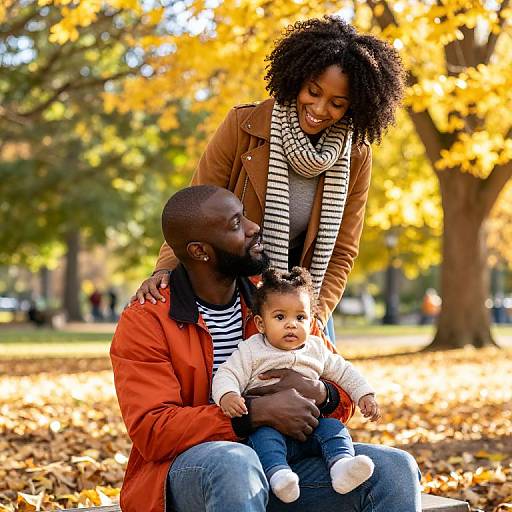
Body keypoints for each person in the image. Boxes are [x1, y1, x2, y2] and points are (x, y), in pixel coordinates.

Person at [110, 185, 421, 512]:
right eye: (235, 225)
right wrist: (254, 414)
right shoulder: (147, 321)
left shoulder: (276, 301)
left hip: (284, 466)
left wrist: (318, 392)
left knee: (395, 468)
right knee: (236, 463)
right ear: (201, 251)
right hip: (189, 475)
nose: (253, 227)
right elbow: (154, 431)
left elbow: (340, 390)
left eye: (244, 214)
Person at [134, 16, 406, 343]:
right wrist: (164, 269)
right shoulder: (243, 124)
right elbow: (196, 210)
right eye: (313, 92)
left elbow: (343, 249)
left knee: (314, 387)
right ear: (298, 78)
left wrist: (315, 315)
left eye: (337, 103)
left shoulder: (356, 155)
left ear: (354, 107)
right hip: (235, 287)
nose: (319, 109)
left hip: (304, 299)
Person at [212, 266, 380, 503]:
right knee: (263, 439)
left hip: (311, 426)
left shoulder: (316, 348)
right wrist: (228, 395)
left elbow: (345, 372)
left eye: (300, 317)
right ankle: (279, 476)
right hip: (269, 428)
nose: (291, 324)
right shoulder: (252, 350)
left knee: (334, 429)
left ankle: (341, 465)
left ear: (311, 320)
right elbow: (226, 373)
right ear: (261, 324)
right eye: (280, 317)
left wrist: (364, 394)